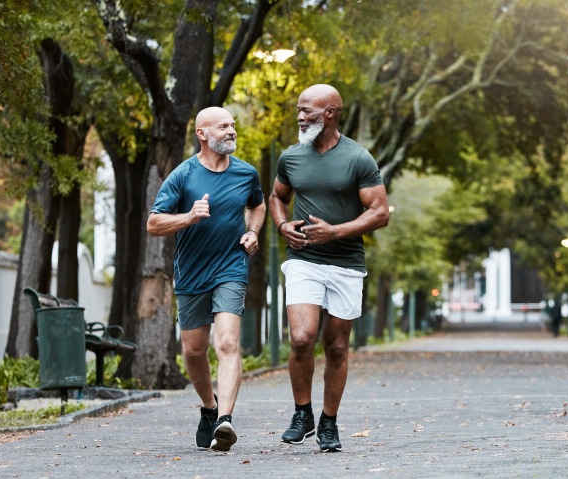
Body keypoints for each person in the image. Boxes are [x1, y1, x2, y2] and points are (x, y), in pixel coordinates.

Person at [268, 84, 390, 452]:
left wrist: (335, 231)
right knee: (302, 338)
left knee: (336, 347)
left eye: (309, 111)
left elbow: (380, 212)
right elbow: (277, 196)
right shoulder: (292, 157)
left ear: (331, 113)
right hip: (304, 259)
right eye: (299, 110)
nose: (301, 116)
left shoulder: (358, 159)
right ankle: (301, 412)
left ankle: (329, 422)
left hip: (346, 264)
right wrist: (281, 225)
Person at [147, 107, 266, 452]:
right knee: (193, 350)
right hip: (192, 273)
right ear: (202, 133)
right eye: (224, 126)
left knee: (227, 343)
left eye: (233, 125)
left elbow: (257, 205)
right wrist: (188, 217)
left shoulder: (246, 173)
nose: (232, 130)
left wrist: (253, 232)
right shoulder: (183, 175)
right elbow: (154, 223)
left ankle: (225, 420)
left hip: (230, 267)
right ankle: (209, 408)